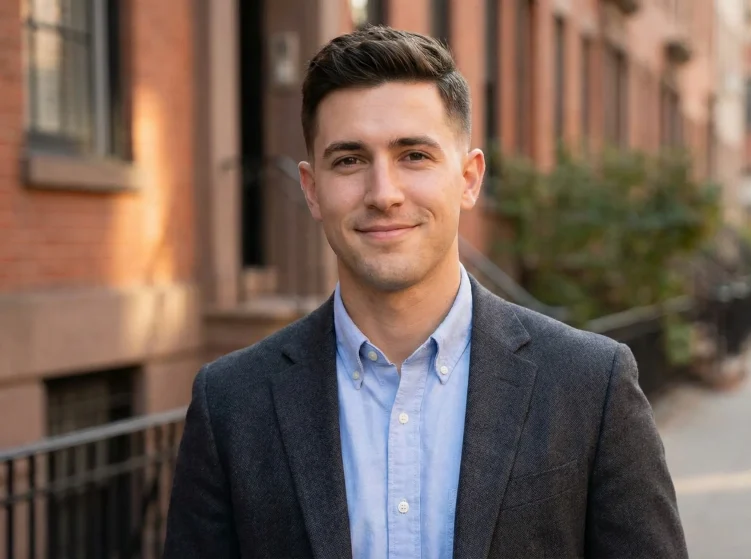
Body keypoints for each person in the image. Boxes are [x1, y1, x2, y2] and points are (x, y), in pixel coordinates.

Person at [163, 26, 687, 559]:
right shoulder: (231, 402)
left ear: (469, 177)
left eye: (413, 155)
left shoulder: (590, 386)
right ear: (312, 189)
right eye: (349, 160)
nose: (383, 194)